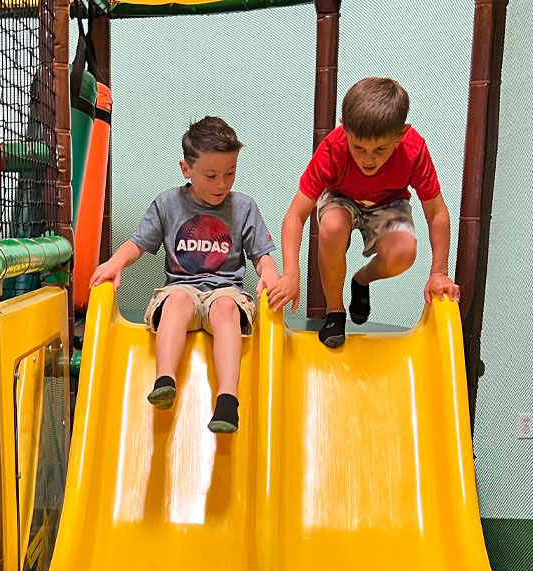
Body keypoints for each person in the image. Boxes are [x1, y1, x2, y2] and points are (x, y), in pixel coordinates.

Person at [91, 117, 279, 434]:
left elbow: (261, 254)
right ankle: (165, 380)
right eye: (211, 175)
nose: (222, 184)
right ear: (186, 169)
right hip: (182, 289)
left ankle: (228, 401)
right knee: (177, 300)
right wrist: (116, 262)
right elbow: (139, 243)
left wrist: (270, 272)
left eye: (230, 173)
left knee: (225, 309)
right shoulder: (168, 203)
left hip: (226, 291)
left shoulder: (243, 207)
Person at [276, 77, 461, 348]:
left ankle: (361, 280)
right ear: (345, 129)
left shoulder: (413, 149)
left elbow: (437, 213)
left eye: (380, 149)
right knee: (332, 225)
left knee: (404, 253)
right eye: (359, 148)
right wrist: (291, 272)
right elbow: (295, 215)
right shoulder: (333, 148)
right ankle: (334, 311)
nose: (368, 159)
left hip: (389, 203)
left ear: (401, 133)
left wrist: (439, 273)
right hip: (342, 198)